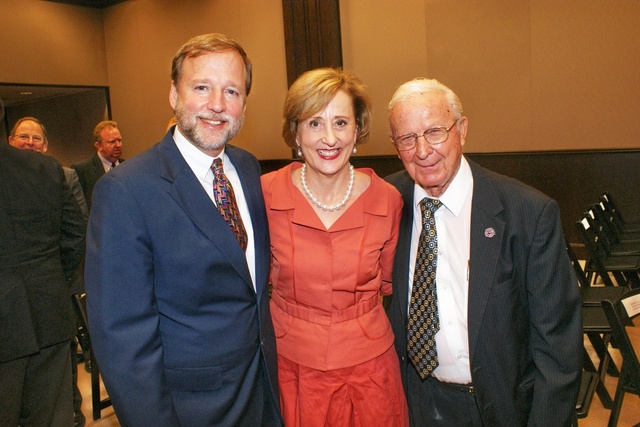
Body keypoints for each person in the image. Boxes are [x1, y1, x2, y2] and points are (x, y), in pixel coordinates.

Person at [84, 33, 281, 426]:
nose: (217, 105)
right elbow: (123, 340)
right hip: (190, 410)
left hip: (262, 394)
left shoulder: (247, 167)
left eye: (232, 91)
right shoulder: (125, 191)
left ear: (244, 103)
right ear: (174, 95)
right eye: (201, 87)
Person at [385, 77, 583, 426]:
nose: (422, 150)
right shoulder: (385, 203)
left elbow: (558, 350)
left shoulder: (528, 213)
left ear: (461, 129)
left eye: (434, 131)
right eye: (406, 138)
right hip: (411, 403)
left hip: (498, 408)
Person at [261, 67, 409, 426]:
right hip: (291, 372)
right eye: (314, 123)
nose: (329, 138)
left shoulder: (388, 200)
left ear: (357, 130)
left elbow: (388, 284)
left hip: (370, 374)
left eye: (341, 123)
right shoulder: (263, 195)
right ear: (295, 132)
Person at [8, 116, 90, 426]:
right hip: (44, 309)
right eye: (23, 137)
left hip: (47, 310)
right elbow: (74, 237)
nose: (30, 144)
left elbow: (76, 232)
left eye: (36, 138)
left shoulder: (57, 173)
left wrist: (57, 279)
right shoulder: (46, 170)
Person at [71, 119, 124, 210]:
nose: (118, 145)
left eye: (119, 140)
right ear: (98, 146)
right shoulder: (82, 170)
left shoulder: (128, 166)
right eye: (112, 142)